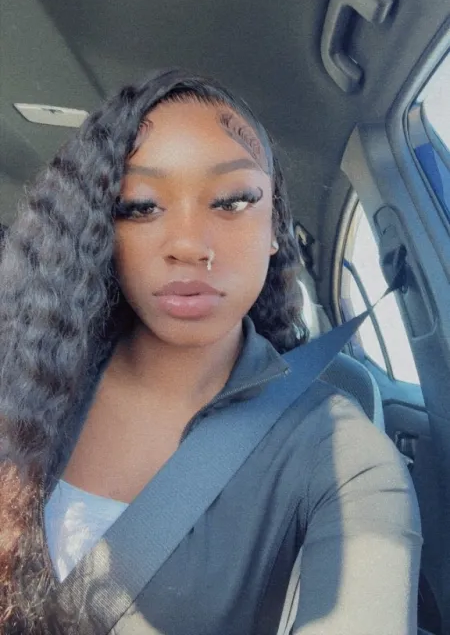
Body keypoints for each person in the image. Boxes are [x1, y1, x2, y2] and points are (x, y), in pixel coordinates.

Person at [0, 69, 422, 634]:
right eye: (140, 206)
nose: (189, 245)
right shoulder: (24, 383)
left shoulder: (342, 455)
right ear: (102, 230)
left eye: (233, 200)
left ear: (275, 227)